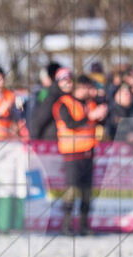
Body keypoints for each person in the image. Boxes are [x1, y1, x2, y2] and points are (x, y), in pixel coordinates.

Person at [53, 75, 106, 236]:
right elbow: (70, 124)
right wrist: (91, 116)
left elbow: (98, 123)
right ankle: (67, 225)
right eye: (87, 87)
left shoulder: (90, 103)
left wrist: (102, 115)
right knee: (71, 190)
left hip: (88, 153)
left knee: (86, 192)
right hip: (72, 153)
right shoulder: (64, 103)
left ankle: (84, 226)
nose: (90, 91)